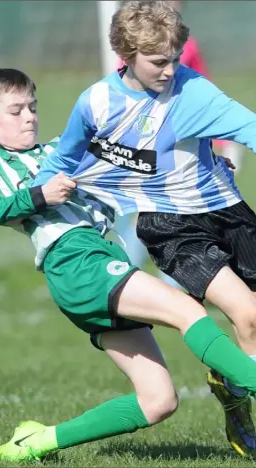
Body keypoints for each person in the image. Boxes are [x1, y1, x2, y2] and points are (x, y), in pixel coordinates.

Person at [0, 67, 256, 463]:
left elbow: (139, 158)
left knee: (158, 401)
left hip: (101, 261)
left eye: (32, 107)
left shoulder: (61, 150)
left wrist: (202, 169)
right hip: (76, 265)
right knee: (189, 310)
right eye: (15, 111)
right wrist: (38, 196)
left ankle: (36, 442)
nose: (29, 116)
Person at [33, 1, 256, 458]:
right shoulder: (96, 102)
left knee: (253, 320)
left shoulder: (194, 93)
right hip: (171, 226)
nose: (171, 70)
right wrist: (36, 202)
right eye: (159, 62)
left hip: (228, 211)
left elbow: (250, 127)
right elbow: (64, 159)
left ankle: (233, 390)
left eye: (176, 58)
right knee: (246, 311)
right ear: (126, 55)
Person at [114, 0, 242, 289]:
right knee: (142, 206)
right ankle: (124, 272)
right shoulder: (135, 47)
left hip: (185, 144)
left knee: (184, 210)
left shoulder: (189, 46)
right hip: (146, 141)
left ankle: (175, 281)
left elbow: (207, 95)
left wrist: (224, 141)